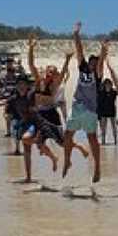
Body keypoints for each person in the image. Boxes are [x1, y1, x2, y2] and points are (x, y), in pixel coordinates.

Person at [26, 35, 90, 165]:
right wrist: (31, 48)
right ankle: (54, 158)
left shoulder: (54, 85)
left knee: (62, 143)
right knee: (36, 142)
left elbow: (62, 74)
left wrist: (67, 59)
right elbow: (31, 65)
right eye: (48, 71)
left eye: (52, 72)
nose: (49, 74)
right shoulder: (39, 82)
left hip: (51, 115)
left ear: (54, 75)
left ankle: (80, 147)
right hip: (39, 115)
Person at [0, 75, 59, 182]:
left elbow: (42, 93)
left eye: (23, 84)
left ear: (27, 86)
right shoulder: (13, 99)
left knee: (28, 140)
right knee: (28, 150)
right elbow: (1, 104)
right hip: (25, 125)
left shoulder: (31, 95)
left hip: (37, 124)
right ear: (16, 86)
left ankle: (48, 153)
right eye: (19, 84)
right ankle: (30, 176)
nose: (21, 86)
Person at [62, 22, 108, 183]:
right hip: (77, 106)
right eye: (92, 61)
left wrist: (104, 49)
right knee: (67, 135)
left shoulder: (98, 74)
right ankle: (67, 160)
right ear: (89, 62)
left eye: (96, 62)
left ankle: (97, 168)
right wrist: (76, 34)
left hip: (90, 110)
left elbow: (102, 60)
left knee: (92, 138)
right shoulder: (82, 67)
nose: (94, 63)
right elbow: (79, 50)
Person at [0, 58, 20, 137]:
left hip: (16, 97)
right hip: (8, 97)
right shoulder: (3, 75)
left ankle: (17, 130)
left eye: (10, 63)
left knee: (17, 114)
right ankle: (8, 131)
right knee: (7, 115)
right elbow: (2, 86)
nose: (9, 65)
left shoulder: (17, 74)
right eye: (8, 63)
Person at [97, 78, 118, 145]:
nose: (108, 85)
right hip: (103, 112)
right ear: (104, 85)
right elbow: (99, 103)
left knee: (114, 126)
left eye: (109, 84)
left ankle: (115, 140)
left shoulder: (114, 92)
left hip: (112, 111)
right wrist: (98, 113)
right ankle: (103, 141)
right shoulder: (101, 92)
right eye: (106, 84)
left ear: (111, 84)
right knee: (103, 128)